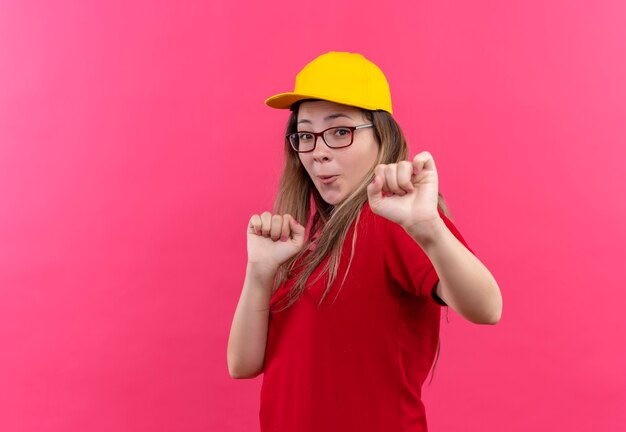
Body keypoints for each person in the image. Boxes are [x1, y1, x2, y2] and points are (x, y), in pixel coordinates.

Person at [227, 51, 502, 432]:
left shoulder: (392, 221)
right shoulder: (307, 247)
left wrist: (428, 227)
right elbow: (242, 364)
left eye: (340, 131)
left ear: (382, 136)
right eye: (305, 135)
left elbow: (488, 307)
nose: (319, 151)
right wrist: (259, 273)